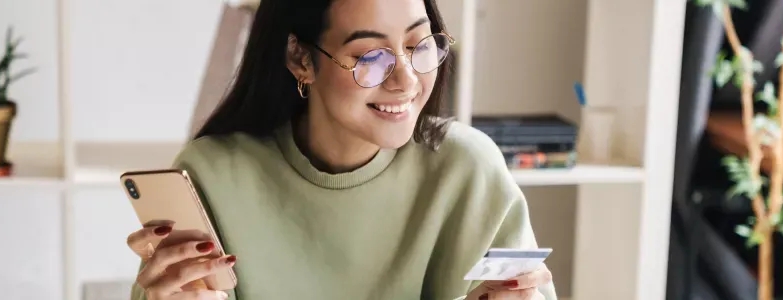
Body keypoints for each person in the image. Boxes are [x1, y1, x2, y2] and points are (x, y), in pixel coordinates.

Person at [124, 0, 557, 299]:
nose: (405, 81)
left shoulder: (468, 169)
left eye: (419, 45)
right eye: (372, 57)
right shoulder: (213, 176)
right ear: (300, 59)